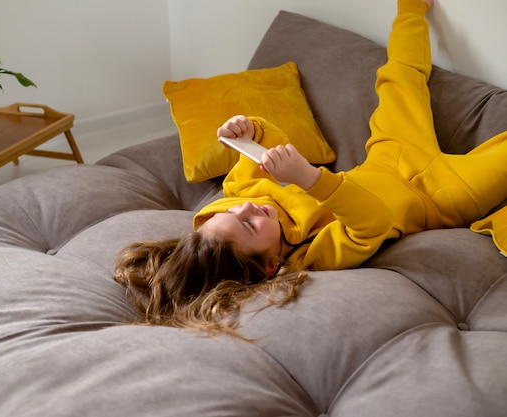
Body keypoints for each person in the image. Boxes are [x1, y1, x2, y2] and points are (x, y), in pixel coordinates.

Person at [114, 0, 507, 335]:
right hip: (440, 197)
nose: (249, 210)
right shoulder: (315, 255)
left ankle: (411, 8)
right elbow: (373, 221)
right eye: (249, 225)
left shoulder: (245, 196)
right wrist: (311, 180)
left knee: (397, 81)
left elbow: (266, 148)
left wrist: (249, 129)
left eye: (234, 213)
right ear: (270, 266)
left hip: (389, 156)